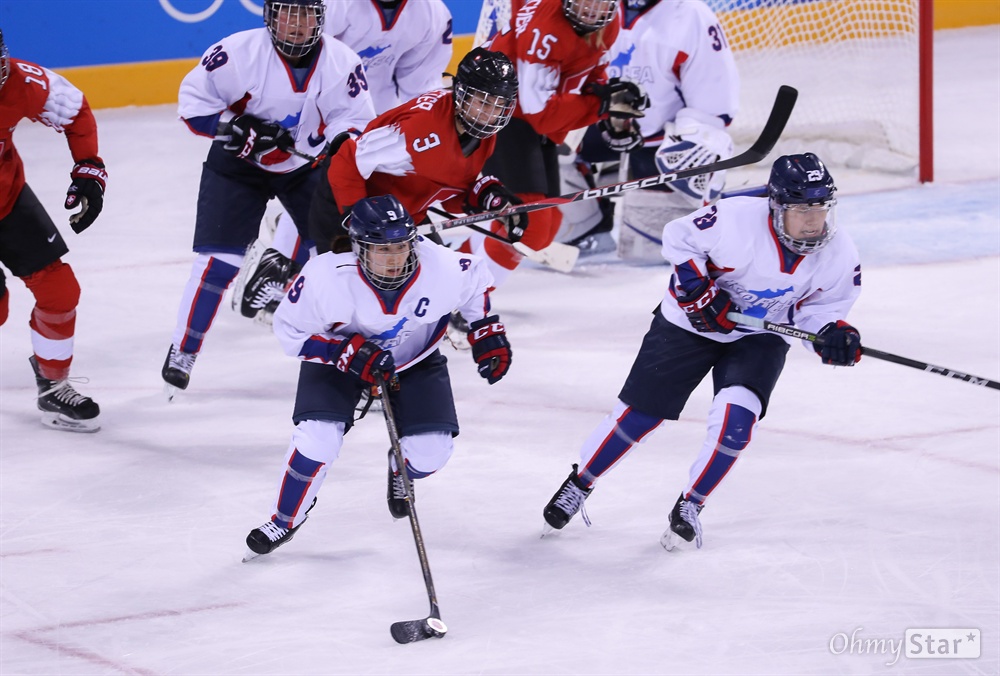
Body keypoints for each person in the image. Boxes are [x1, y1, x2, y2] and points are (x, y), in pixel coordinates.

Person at [541, 153, 862, 550]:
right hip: (688, 326)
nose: (814, 222)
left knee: (736, 424)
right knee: (640, 416)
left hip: (758, 335)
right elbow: (679, 237)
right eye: (802, 210)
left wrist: (831, 334)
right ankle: (581, 482)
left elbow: (820, 311)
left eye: (821, 209)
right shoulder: (735, 219)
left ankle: (691, 503)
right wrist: (698, 294)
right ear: (777, 207)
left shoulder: (839, 251)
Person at [244, 195, 513, 559]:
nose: (394, 257)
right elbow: (289, 331)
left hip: (414, 359)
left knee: (432, 453)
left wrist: (485, 330)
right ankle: (285, 519)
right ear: (359, 248)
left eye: (401, 246)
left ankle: (399, 466)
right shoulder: (325, 277)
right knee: (316, 441)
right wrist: (341, 351)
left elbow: (476, 281)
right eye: (382, 248)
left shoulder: (440, 267)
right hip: (338, 360)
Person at [161, 0, 376, 397]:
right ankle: (184, 349)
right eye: (287, 14)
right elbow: (193, 107)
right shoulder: (237, 54)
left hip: (304, 169)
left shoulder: (342, 62)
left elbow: (355, 121)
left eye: (307, 13)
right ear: (270, 16)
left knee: (334, 264)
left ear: (321, 17)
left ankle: (346, 362)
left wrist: (341, 143)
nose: (296, 24)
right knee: (218, 264)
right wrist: (235, 127)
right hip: (237, 167)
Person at [234, 0, 455, 323]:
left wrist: (414, 141)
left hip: (380, 124)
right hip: (325, 115)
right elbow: (300, 59)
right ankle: (277, 272)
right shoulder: (338, 5)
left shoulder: (432, 13)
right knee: (318, 192)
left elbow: (418, 89)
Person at [461, 0, 647, 291]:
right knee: (529, 228)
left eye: (599, 4)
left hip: (522, 118)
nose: (590, 10)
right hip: (496, 114)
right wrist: (601, 105)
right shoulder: (545, 28)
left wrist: (610, 107)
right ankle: (464, 304)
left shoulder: (608, 25)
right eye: (585, 1)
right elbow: (541, 113)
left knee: (546, 227)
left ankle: (453, 274)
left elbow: (590, 74)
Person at [559, 0, 740, 262]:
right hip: (598, 128)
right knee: (543, 137)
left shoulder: (692, 16)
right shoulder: (586, 5)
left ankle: (688, 196)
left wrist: (693, 148)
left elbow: (714, 107)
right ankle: (585, 228)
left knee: (651, 254)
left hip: (659, 145)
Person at [0, 28, 107, 432]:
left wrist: (88, 170)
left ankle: (52, 384)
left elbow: (74, 110)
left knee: (61, 291)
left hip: (7, 199)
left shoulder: (21, 82)